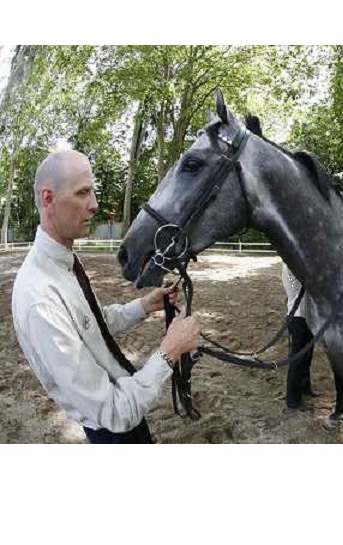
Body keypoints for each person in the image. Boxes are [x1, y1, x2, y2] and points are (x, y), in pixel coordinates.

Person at [11, 150, 201, 444]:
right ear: (49, 200)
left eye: (93, 192)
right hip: (113, 429)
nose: (95, 204)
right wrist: (170, 351)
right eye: (82, 193)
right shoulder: (41, 300)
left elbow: (93, 324)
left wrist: (144, 305)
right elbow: (114, 412)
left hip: (126, 411)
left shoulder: (62, 262)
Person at [281, 263, 320, 409]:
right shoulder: (291, 265)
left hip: (307, 316)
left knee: (307, 356)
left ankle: (305, 388)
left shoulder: (294, 262)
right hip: (298, 317)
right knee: (297, 360)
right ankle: (293, 401)